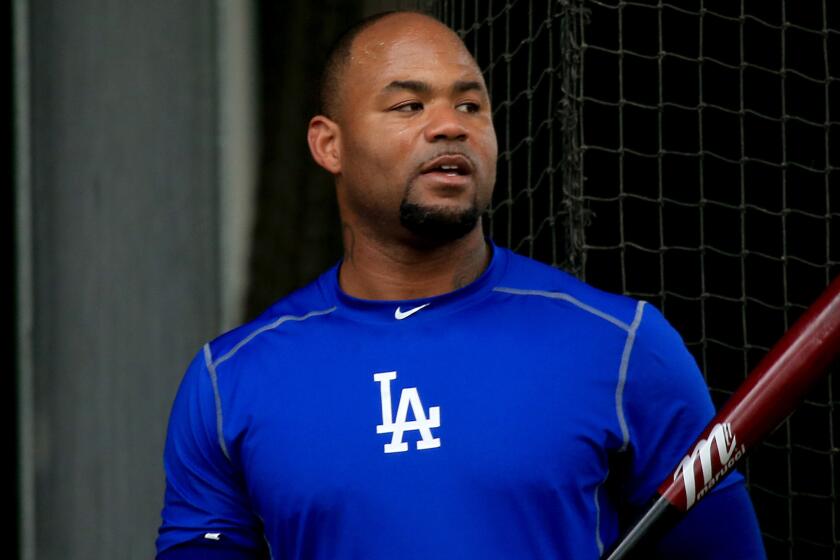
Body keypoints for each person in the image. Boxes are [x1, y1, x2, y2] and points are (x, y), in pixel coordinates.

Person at [156, 10, 766, 560]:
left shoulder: (623, 343)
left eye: (471, 106)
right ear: (329, 144)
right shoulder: (229, 382)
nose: (450, 126)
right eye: (408, 106)